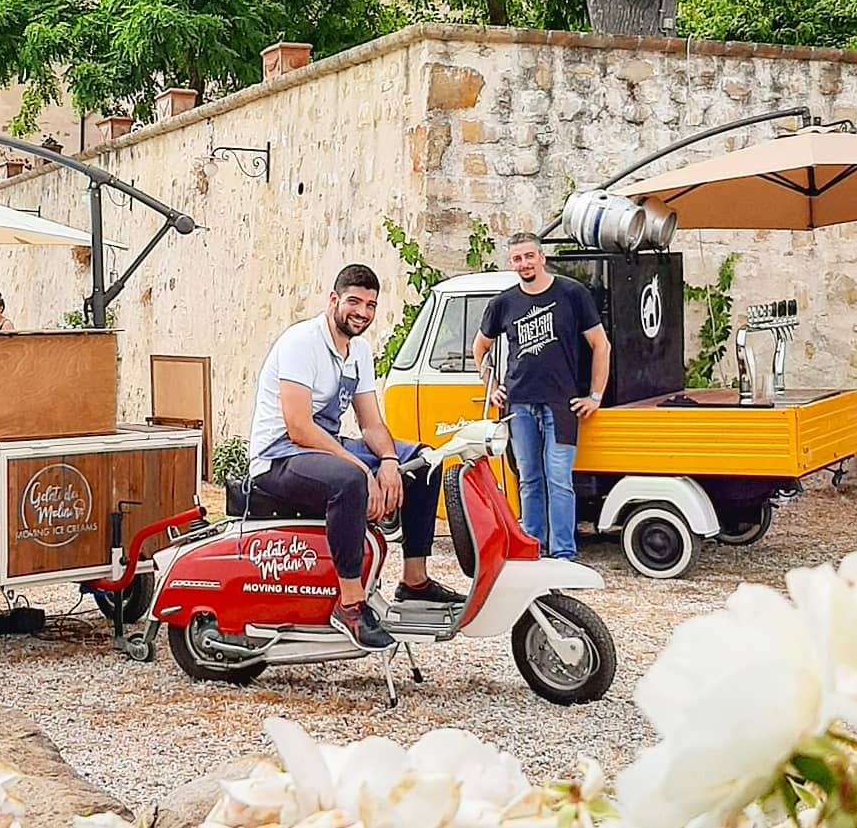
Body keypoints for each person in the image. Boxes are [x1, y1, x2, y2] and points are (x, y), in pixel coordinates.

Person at [248, 263, 464, 653]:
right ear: (334, 300)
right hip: (278, 456)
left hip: (322, 447)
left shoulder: (358, 351)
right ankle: (349, 605)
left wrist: (388, 461)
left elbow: (371, 423)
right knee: (348, 481)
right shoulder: (302, 342)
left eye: (370, 305)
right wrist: (361, 469)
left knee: (425, 461)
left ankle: (414, 581)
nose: (362, 312)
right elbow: (297, 428)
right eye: (354, 301)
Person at [472, 233, 611, 561]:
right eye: (517, 259)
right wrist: (491, 388)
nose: (524, 264)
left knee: (559, 479)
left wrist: (595, 396)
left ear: (542, 257)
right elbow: (480, 347)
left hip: (561, 404)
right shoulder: (503, 303)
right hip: (518, 404)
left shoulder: (572, 294)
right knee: (529, 479)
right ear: (511, 263)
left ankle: (563, 554)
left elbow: (600, 345)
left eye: (529, 257)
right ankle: (533, 549)